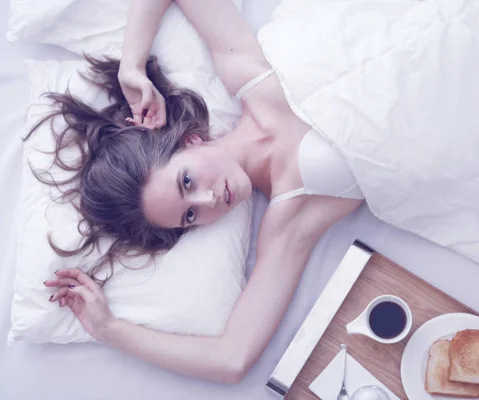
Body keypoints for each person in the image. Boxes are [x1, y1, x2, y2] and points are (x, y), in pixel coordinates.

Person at [40, 0, 364, 383]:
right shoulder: (289, 220)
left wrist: (132, 66)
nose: (209, 201)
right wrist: (110, 329)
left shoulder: (245, 71)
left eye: (187, 182)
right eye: (189, 216)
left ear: (189, 141)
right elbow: (231, 359)